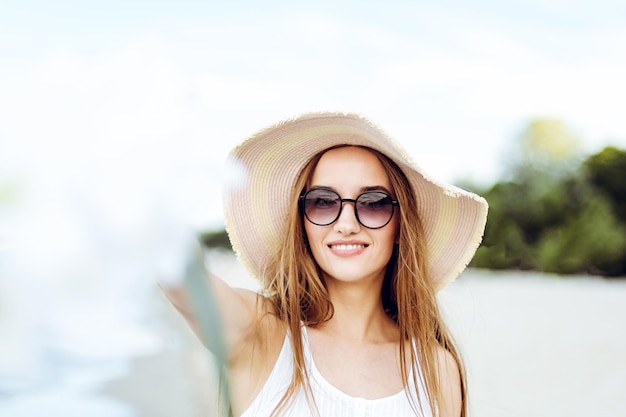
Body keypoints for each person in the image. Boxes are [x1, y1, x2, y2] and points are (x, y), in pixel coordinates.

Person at [162, 112, 488, 417]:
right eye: (323, 202)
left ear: (400, 225)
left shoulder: (436, 369)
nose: (346, 223)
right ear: (302, 222)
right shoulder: (259, 332)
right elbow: (176, 268)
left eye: (373, 203)